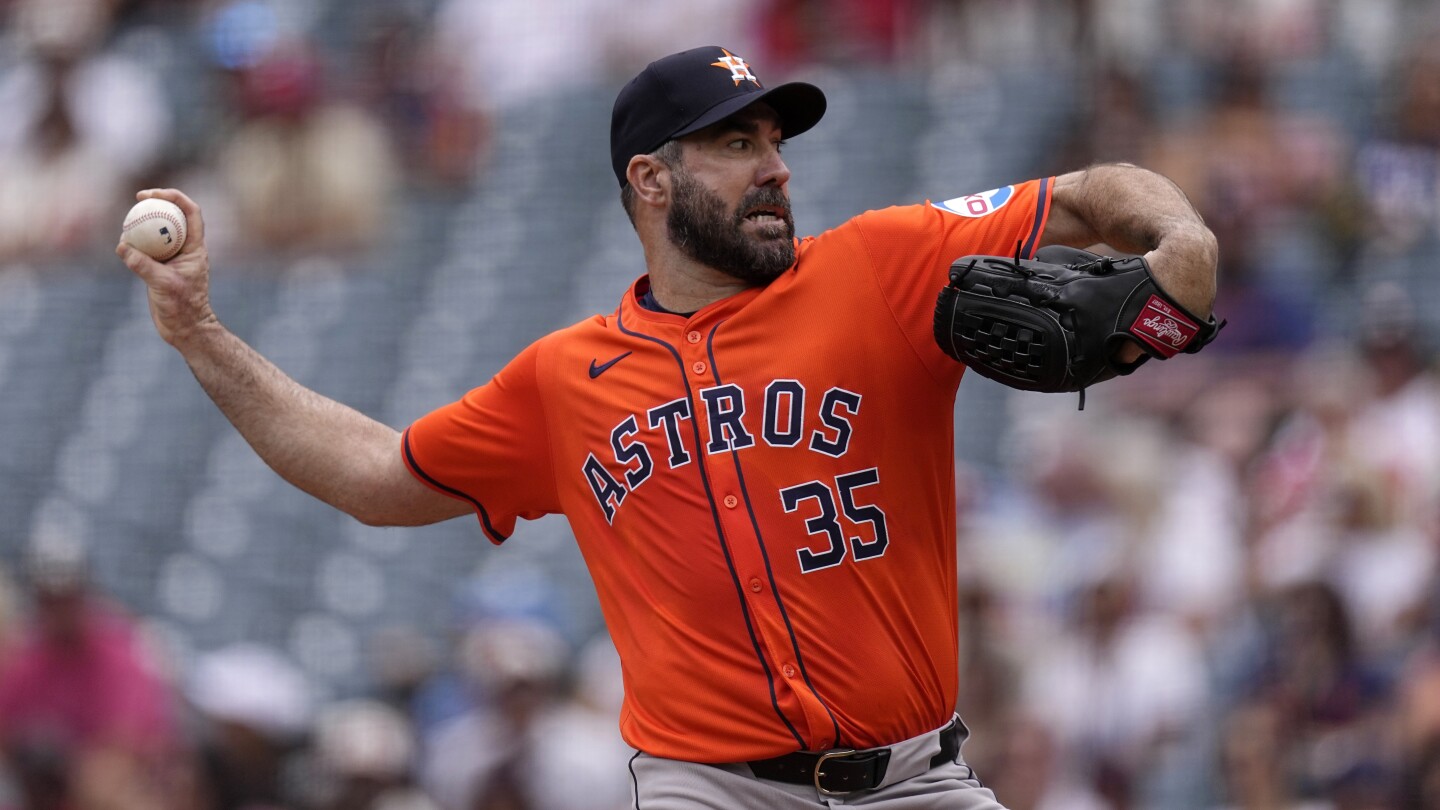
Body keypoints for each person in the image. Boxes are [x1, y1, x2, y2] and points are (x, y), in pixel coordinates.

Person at [117, 45, 1217, 808]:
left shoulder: (882, 263)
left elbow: (1089, 191)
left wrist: (1180, 241)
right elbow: (373, 474)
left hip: (916, 781)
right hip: (708, 789)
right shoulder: (565, 378)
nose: (777, 165)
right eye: (736, 143)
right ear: (651, 180)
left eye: (775, 139)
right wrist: (201, 331)